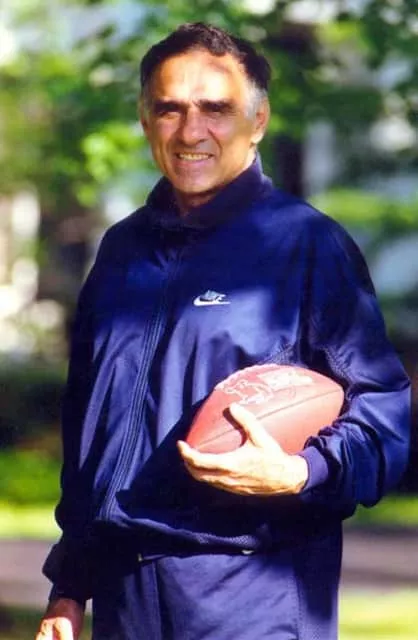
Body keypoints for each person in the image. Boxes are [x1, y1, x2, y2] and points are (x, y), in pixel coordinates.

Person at [36, 22, 410, 640]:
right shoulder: (121, 252)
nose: (191, 132)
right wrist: (70, 588)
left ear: (258, 121)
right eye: (170, 109)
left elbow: (385, 413)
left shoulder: (306, 245)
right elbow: (91, 434)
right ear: (145, 120)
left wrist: (300, 472)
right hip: (125, 600)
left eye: (215, 109)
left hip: (251, 593)